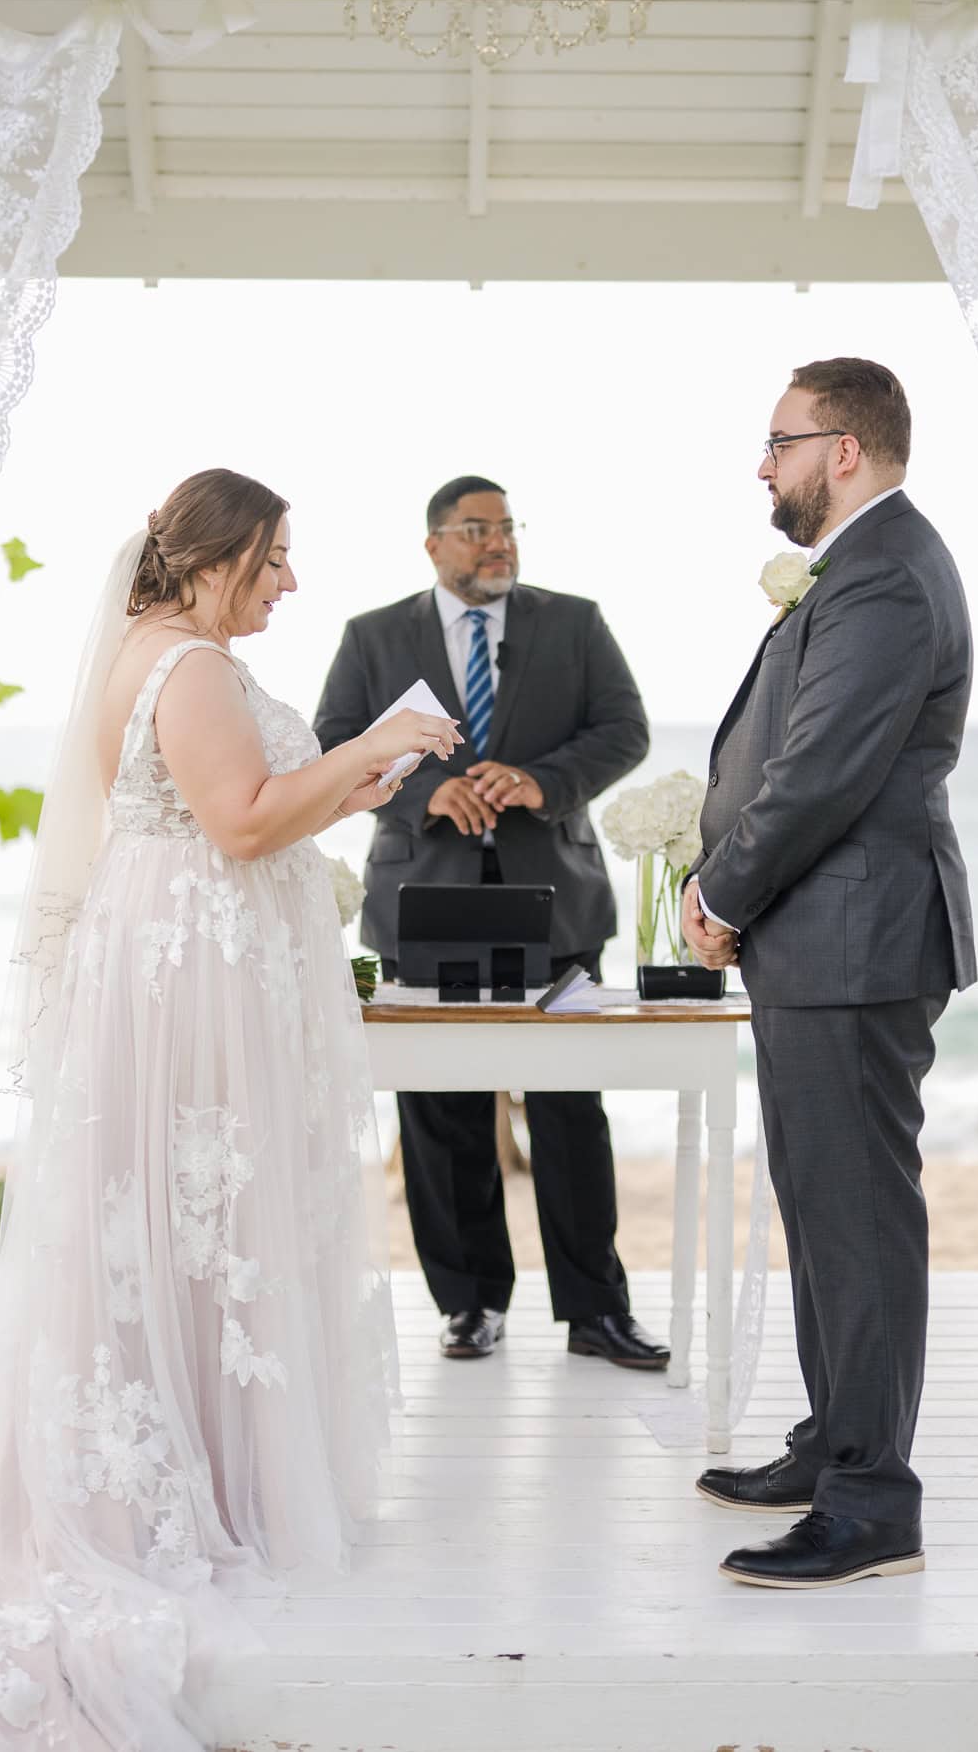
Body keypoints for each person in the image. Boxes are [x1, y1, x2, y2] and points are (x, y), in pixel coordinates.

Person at [0, 469, 460, 1752]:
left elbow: (244, 815)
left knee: (178, 1221)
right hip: (193, 975)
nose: (291, 581)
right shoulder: (194, 669)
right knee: (198, 1214)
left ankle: (199, 1463)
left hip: (181, 960)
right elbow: (234, 824)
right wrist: (374, 746)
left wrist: (346, 788)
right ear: (220, 556)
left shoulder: (162, 653)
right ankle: (191, 1486)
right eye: (277, 558)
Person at [683, 361, 976, 1591]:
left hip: (853, 944)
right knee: (822, 1214)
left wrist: (718, 894)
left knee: (855, 1223)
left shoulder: (887, 579)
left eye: (778, 441)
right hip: (823, 945)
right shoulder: (861, 567)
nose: (763, 464)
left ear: (842, 449)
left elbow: (819, 775)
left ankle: (871, 1504)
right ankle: (833, 1440)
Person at [314, 475, 665, 1371]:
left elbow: (625, 730)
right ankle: (469, 1303)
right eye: (476, 529)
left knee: (569, 1109)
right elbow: (334, 743)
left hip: (559, 902)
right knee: (441, 1111)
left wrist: (543, 782)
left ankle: (596, 1311)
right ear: (433, 544)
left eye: (506, 527)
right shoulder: (372, 636)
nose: (496, 543)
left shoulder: (576, 623)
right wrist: (433, 792)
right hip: (422, 898)